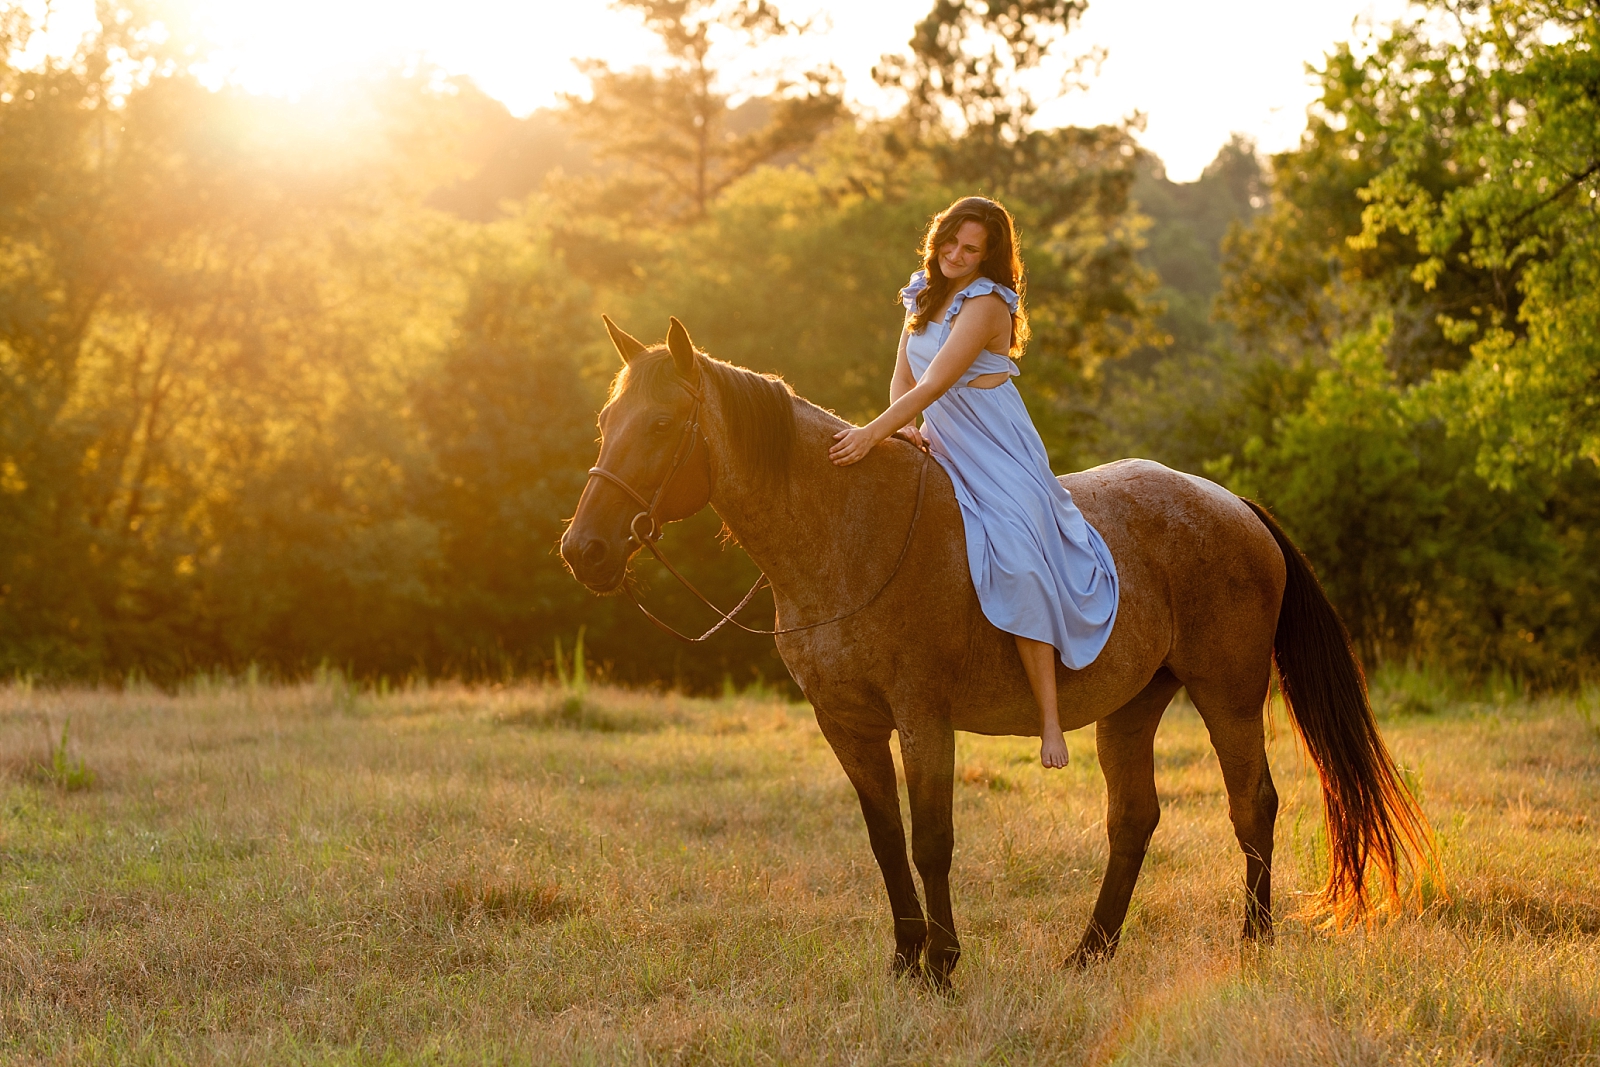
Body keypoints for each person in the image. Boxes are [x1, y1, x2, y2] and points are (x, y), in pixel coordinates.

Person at [828, 196, 1119, 768]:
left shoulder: (986, 304)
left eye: (970, 249)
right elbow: (902, 373)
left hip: (993, 441)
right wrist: (904, 431)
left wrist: (869, 436)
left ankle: (1051, 721)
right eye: (949, 243)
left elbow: (935, 382)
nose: (955, 256)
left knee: (1016, 553)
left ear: (989, 257)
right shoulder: (922, 290)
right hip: (940, 434)